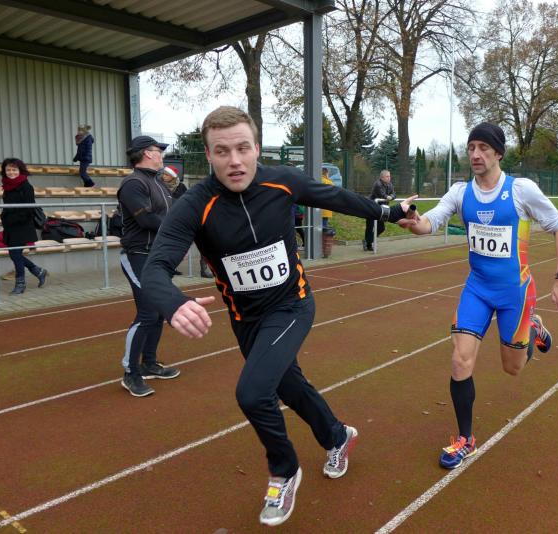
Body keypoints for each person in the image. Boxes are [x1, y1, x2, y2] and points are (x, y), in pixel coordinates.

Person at [140, 106, 416, 526]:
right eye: (222, 151)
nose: (235, 161)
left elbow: (339, 199)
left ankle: (284, 471)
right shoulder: (194, 205)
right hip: (245, 320)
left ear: (256, 148)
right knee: (288, 385)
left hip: (292, 305)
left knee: (253, 393)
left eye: (243, 148)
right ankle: (338, 436)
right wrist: (173, 302)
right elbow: (154, 268)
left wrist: (389, 213)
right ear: (209, 155)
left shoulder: (281, 181)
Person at [399, 122, 558, 469]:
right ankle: (465, 439)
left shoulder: (521, 190)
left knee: (513, 368)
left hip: (515, 293)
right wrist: (414, 221)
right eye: (471, 148)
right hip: (477, 289)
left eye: (483, 147)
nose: (475, 154)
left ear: (498, 153)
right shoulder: (460, 192)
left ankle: (534, 328)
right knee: (459, 360)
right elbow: (430, 222)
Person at [116, 135, 180, 397]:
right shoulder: (133, 183)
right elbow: (147, 220)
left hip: (157, 256)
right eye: (158, 150)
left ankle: (149, 363)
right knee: (147, 313)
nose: (161, 154)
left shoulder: (158, 183)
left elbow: (173, 212)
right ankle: (131, 373)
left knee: (158, 311)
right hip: (138, 255)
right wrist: (179, 229)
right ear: (146, 153)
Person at [0, 158, 48, 295]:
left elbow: (28, 209)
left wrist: (11, 219)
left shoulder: (26, 186)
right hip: (10, 226)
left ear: (20, 170)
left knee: (15, 254)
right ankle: (38, 271)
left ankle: (20, 283)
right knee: (14, 254)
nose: (11, 172)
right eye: (8, 169)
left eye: (14, 169)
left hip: (22, 225)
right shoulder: (7, 186)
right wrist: (4, 217)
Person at [161, 165, 211, 278]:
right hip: (167, 220)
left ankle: (204, 269)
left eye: (166, 174)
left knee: (205, 239)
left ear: (173, 176)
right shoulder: (160, 186)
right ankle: (170, 267)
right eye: (163, 174)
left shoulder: (181, 186)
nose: (164, 176)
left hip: (182, 219)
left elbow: (187, 201)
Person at [363, 169, 395, 251]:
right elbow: (382, 194)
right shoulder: (377, 184)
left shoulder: (390, 184)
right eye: (387, 176)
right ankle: (368, 244)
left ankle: (368, 240)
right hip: (371, 207)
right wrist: (387, 197)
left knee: (381, 228)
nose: (389, 178)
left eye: (389, 176)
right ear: (382, 177)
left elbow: (394, 194)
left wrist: (391, 196)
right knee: (370, 226)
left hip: (382, 209)